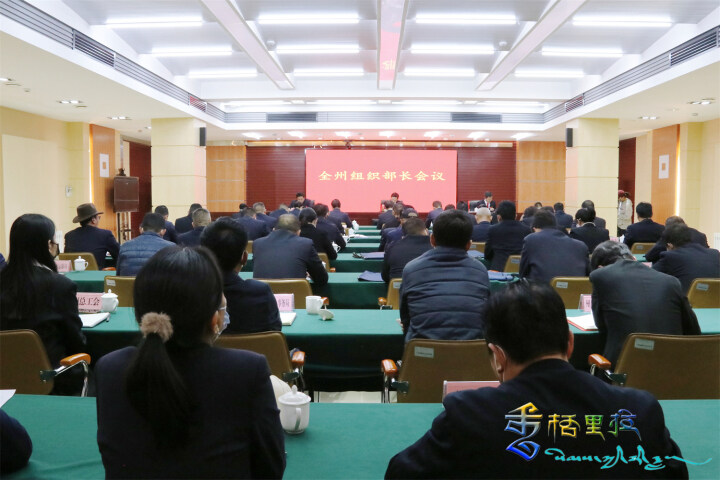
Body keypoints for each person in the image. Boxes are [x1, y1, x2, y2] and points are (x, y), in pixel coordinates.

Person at [385, 281, 689, 479]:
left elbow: (400, 473)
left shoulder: (468, 414)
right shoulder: (638, 410)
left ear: (497, 356)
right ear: (570, 343)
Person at [95, 247, 285, 478]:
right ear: (215, 319)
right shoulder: (247, 371)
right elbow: (270, 469)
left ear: (141, 315)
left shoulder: (109, 368)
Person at [0, 214, 86, 393]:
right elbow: (76, 342)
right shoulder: (60, 286)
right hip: (51, 379)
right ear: (48, 245)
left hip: (4, 379)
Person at [590, 241, 700, 366]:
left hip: (625, 368)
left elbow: (602, 327)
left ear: (600, 268)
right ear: (634, 258)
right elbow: (693, 329)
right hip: (673, 367)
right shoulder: (671, 281)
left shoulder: (600, 276)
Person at [400, 211, 490, 342]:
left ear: (432, 239)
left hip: (422, 353)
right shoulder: (480, 270)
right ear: (468, 245)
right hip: (471, 353)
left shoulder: (411, 269)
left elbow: (406, 320)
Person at [201, 217, 281, 333]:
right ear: (244, 258)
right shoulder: (260, 292)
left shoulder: (191, 293)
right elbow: (275, 331)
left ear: (202, 256)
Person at [253, 214, 328, 286]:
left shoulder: (257, 244)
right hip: (296, 294)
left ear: (273, 229)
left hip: (262, 294)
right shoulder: (306, 244)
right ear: (298, 232)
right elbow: (322, 279)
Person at [519, 210, 589, 283]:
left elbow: (522, 273)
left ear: (535, 228)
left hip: (542, 289)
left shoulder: (530, 240)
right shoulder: (581, 246)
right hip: (575, 289)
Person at [652, 223, 720, 293]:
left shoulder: (671, 256)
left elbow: (650, 275)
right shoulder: (714, 253)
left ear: (670, 245)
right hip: (715, 298)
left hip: (687, 298)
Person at [64, 202, 119, 269]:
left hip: (73, 274)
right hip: (96, 274)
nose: (99, 220)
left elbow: (66, 259)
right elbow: (119, 254)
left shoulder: (69, 236)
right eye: (98, 217)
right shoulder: (105, 235)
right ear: (93, 220)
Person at [484, 201, 532, 271]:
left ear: (499, 217)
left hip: (498, 271)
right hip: (520, 270)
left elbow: (487, 254)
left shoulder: (493, 230)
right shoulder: (526, 230)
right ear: (515, 215)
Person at [382, 217, 432, 282]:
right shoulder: (435, 247)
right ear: (426, 231)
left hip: (398, 287)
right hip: (428, 286)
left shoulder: (392, 247)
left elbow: (385, 276)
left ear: (403, 233)